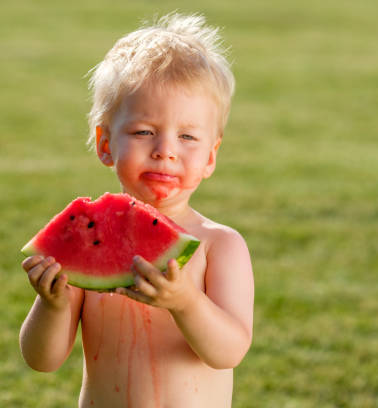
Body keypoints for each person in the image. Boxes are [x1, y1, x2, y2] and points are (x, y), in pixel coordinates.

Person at [19, 12, 254, 408]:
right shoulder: (86, 240)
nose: (166, 149)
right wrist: (52, 303)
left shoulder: (220, 246)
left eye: (188, 136)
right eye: (144, 132)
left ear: (211, 156)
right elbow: (42, 360)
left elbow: (228, 351)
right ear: (105, 143)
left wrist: (185, 302)